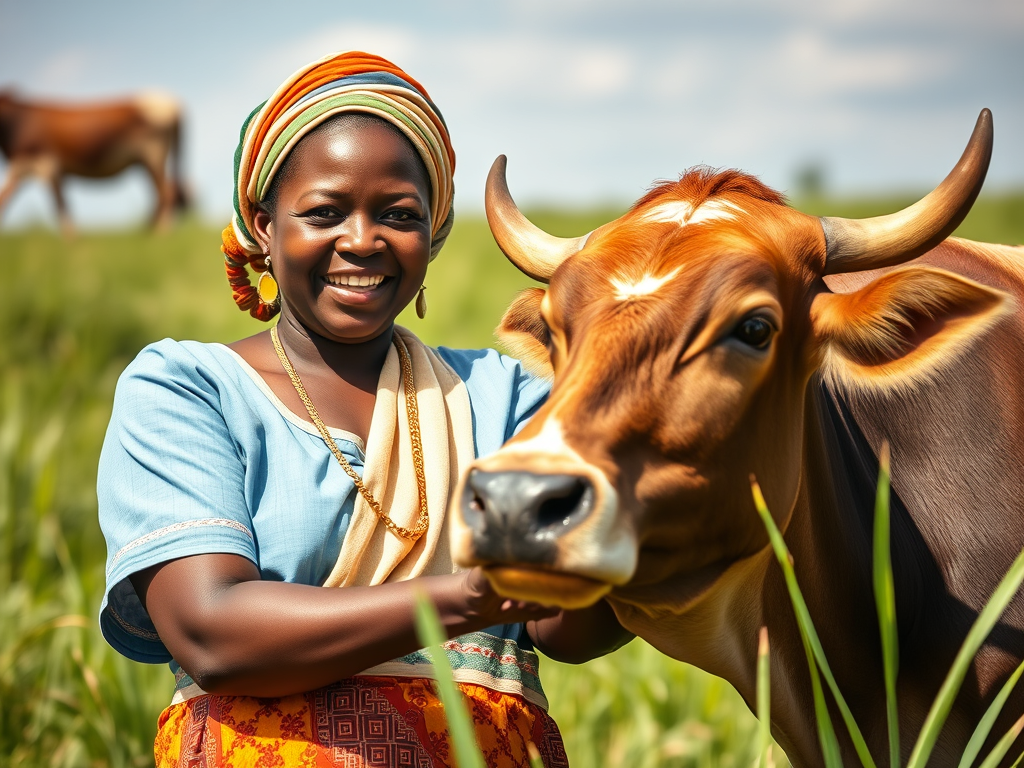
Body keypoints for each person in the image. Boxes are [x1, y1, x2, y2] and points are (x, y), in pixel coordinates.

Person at [97, 51, 632, 767]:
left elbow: (567, 629)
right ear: (263, 225)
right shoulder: (188, 389)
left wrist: (640, 533)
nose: (361, 239)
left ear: (432, 231)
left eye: (398, 214)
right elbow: (211, 631)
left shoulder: (503, 397)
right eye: (324, 212)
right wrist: (472, 596)